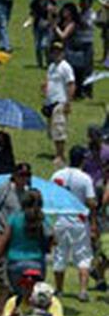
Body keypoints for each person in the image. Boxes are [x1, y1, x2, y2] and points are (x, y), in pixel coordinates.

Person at [51, 145, 97, 300]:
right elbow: (91, 201)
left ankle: (59, 289)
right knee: (83, 254)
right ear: (82, 160)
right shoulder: (85, 178)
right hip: (79, 220)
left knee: (60, 254)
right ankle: (83, 290)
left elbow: (51, 197)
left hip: (61, 219)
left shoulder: (58, 174)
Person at [44, 42, 76, 169]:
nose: (56, 54)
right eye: (54, 51)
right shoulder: (51, 66)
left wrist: (68, 102)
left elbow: (71, 84)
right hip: (50, 101)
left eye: (59, 51)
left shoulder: (65, 67)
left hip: (60, 101)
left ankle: (60, 155)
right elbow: (48, 81)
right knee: (52, 130)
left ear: (63, 53)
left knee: (59, 129)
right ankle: (57, 152)